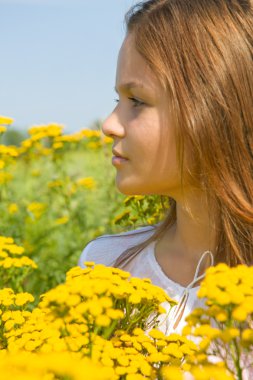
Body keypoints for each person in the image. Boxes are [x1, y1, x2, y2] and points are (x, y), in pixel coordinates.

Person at [79, 0, 253, 335]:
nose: (109, 124)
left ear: (215, 112)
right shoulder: (107, 268)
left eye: (138, 101)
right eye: (119, 100)